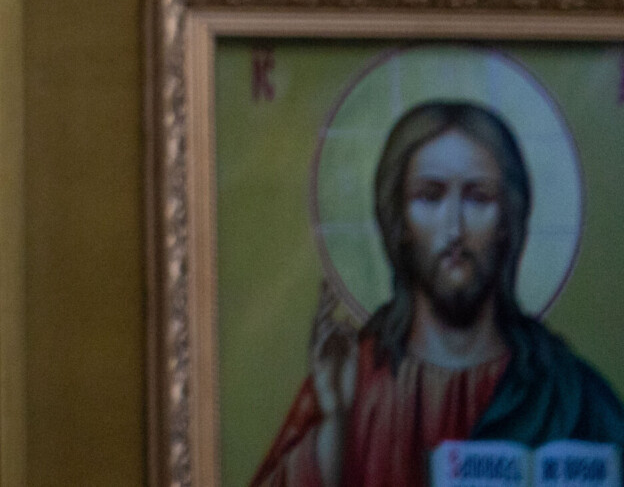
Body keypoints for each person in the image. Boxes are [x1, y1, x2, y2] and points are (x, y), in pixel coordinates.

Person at [252, 100, 624, 487]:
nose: (455, 229)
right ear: (399, 222)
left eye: (478, 197)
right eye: (430, 196)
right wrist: (335, 427)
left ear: (507, 221)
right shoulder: (349, 385)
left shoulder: (567, 394)